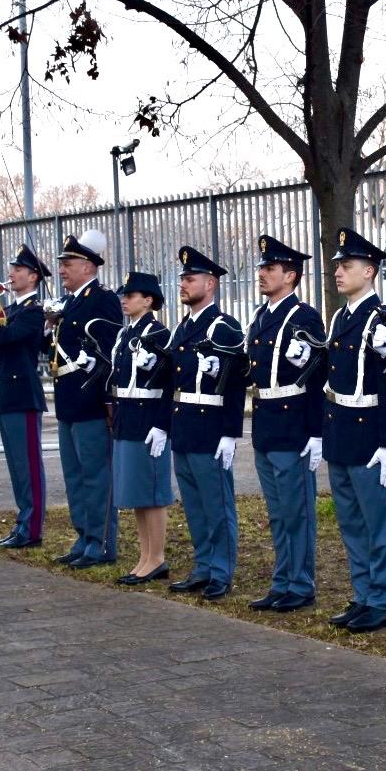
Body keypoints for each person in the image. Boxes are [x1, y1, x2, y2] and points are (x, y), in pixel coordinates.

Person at [322, 228, 386, 634]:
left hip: (370, 431)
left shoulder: (381, 319)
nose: (339, 272)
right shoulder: (341, 316)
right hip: (341, 430)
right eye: (338, 265)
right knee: (352, 521)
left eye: (347, 265)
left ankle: (382, 599)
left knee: (379, 522)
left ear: (369, 271)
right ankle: (362, 593)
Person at [245, 235, 327, 614]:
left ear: (290, 275)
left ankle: (301, 583)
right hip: (266, 422)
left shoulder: (304, 317)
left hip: (293, 424)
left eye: (270, 269)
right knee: (278, 512)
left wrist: (315, 432)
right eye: (262, 268)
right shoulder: (262, 317)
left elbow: (315, 378)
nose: (262, 274)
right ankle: (282, 580)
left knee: (297, 511)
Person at [166, 246, 247, 602]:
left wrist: (230, 433)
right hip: (184, 426)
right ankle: (202, 565)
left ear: (210, 283)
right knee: (195, 504)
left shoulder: (224, 328)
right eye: (182, 278)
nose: (182, 284)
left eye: (190, 278)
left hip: (211, 427)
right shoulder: (184, 326)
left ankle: (221, 570)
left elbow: (235, 384)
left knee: (217, 504)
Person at [44, 230, 124, 568]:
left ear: (88, 266)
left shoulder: (102, 298)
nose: (61, 269)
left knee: (96, 474)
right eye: (61, 263)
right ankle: (84, 536)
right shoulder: (71, 302)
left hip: (90, 399)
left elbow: (109, 352)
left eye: (68, 263)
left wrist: (105, 398)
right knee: (74, 475)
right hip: (67, 400)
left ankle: (102, 541)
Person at [0, 244, 52, 549]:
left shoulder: (33, 311)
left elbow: (5, 334)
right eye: (12, 269)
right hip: (6, 393)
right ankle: (22, 524)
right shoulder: (12, 309)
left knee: (29, 466)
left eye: (17, 269)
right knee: (17, 466)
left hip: (23, 395)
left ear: (32, 276)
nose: (10, 274)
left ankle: (32, 529)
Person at [109, 271, 175, 584]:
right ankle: (145, 555)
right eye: (124, 294)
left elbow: (169, 385)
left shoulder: (158, 334)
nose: (125, 299)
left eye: (131, 294)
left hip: (148, 418)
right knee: (136, 493)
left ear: (148, 300)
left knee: (153, 491)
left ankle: (157, 557)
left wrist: (162, 424)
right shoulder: (127, 334)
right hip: (127, 417)